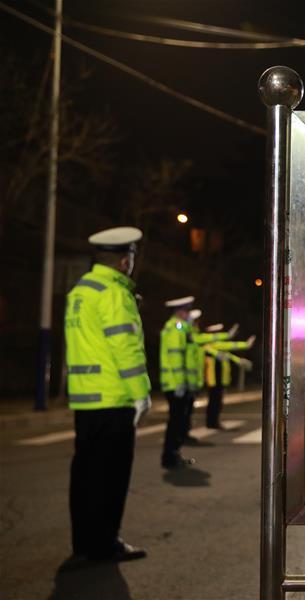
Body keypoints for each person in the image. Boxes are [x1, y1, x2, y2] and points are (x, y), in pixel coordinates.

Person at [64, 226, 150, 562]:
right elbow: (125, 348)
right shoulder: (114, 293)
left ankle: (83, 545)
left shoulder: (80, 291)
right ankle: (105, 544)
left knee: (84, 476)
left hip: (85, 399)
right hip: (114, 399)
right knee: (111, 478)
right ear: (124, 261)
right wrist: (141, 393)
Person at [182, 310, 235, 440]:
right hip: (191, 380)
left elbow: (227, 346)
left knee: (189, 409)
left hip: (195, 380)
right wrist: (226, 335)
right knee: (184, 410)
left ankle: (185, 434)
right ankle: (184, 434)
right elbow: (209, 344)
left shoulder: (196, 338)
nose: (197, 324)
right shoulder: (192, 337)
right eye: (195, 322)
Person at [159, 296, 195, 468]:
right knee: (176, 422)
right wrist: (181, 383)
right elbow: (175, 357)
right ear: (180, 312)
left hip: (173, 383)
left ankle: (173, 455)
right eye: (187, 312)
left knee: (177, 421)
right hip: (175, 384)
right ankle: (171, 457)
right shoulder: (175, 329)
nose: (188, 315)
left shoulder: (176, 328)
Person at [202, 325, 255, 428]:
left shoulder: (216, 347)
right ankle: (212, 422)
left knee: (217, 401)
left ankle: (213, 421)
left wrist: (239, 361)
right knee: (214, 402)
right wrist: (245, 344)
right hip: (213, 379)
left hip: (219, 379)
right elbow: (230, 345)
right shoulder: (211, 345)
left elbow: (229, 355)